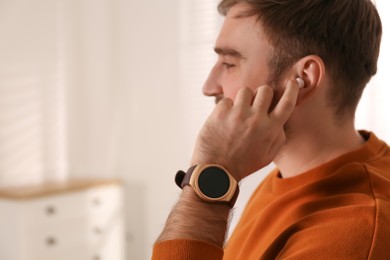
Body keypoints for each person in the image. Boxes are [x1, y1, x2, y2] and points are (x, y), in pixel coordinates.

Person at [153, 0, 389, 259]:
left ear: (304, 80)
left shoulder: (354, 232)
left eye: (229, 63)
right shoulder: (286, 177)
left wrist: (212, 172)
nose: (209, 86)